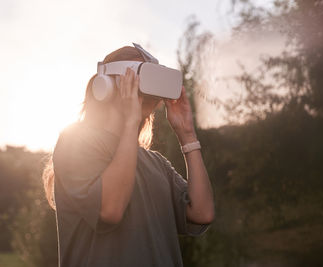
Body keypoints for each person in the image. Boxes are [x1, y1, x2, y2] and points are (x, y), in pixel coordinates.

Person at [42, 45, 215, 267]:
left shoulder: (156, 163)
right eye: (137, 76)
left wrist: (187, 135)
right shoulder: (75, 141)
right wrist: (130, 121)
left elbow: (202, 213)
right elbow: (110, 209)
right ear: (106, 85)